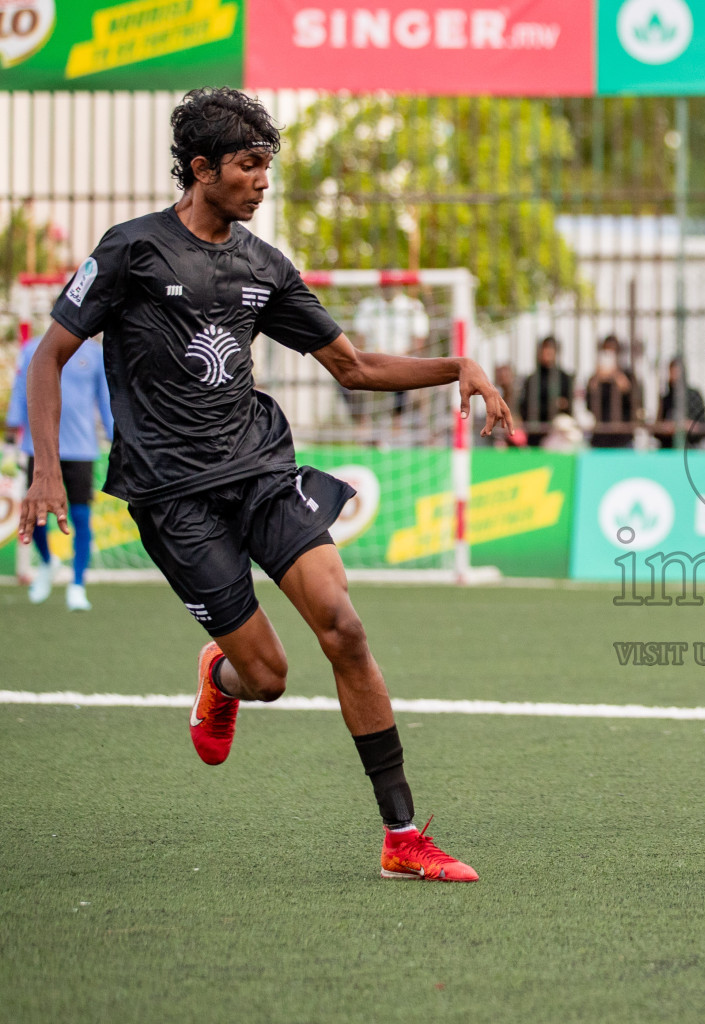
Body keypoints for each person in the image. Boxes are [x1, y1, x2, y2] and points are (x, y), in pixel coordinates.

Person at [18, 88, 513, 882]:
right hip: (173, 496)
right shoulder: (131, 251)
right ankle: (220, 674)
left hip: (261, 473)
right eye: (249, 166)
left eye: (266, 167)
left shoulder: (262, 266)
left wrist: (459, 367)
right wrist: (45, 469)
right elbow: (47, 357)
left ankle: (402, 836)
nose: (262, 182)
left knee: (345, 628)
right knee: (271, 678)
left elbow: (353, 368)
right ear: (202, 168)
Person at [7, 334, 113, 609]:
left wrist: (117, 438)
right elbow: (21, 388)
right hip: (38, 448)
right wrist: (12, 425)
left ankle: (77, 585)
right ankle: (47, 561)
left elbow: (105, 397)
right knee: (33, 515)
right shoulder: (32, 349)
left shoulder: (95, 354)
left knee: (80, 516)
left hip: (81, 448)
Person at [348, 284, 429, 426]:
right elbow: (359, 340)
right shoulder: (368, 306)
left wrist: (400, 355)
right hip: (371, 359)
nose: (388, 289)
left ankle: (397, 421)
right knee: (342, 374)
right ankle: (362, 423)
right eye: (386, 285)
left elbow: (419, 342)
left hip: (401, 358)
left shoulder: (412, 306)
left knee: (404, 369)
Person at [518, 336, 573, 447]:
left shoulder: (564, 378)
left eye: (550, 349)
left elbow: (569, 405)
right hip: (535, 430)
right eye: (545, 349)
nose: (547, 353)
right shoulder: (532, 379)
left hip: (557, 432)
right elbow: (525, 405)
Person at [585, 335, 636, 449]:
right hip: (600, 437)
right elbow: (588, 406)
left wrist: (617, 376)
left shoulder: (628, 375)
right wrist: (597, 379)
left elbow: (634, 404)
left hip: (623, 438)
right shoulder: (595, 377)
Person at [654, 357, 705, 449]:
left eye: (676, 372)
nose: (674, 376)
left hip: (691, 448)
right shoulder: (666, 398)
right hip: (669, 448)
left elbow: (703, 427)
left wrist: (685, 426)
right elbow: (657, 429)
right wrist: (666, 428)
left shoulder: (694, 396)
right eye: (672, 372)